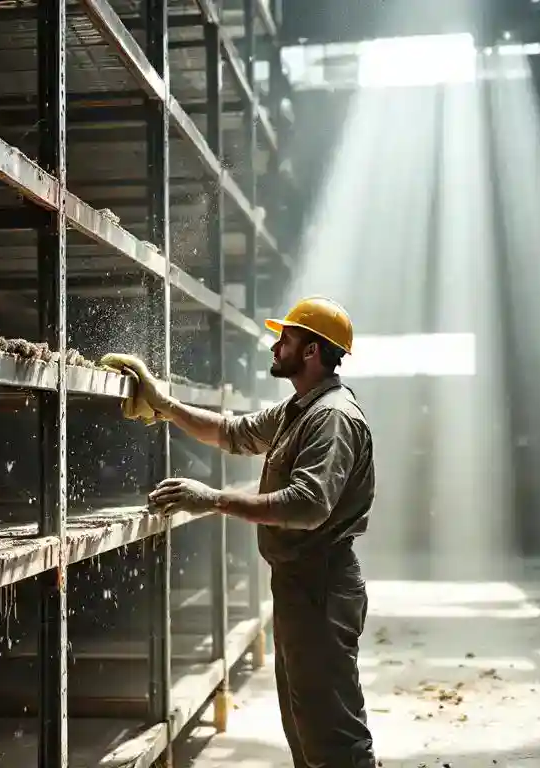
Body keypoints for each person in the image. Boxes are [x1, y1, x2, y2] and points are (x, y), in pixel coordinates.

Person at [109, 296, 376, 768]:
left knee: (333, 736)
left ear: (312, 351)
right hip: (301, 583)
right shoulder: (300, 409)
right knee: (307, 728)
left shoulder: (331, 417)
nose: (275, 348)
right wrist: (164, 404)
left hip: (322, 586)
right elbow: (232, 432)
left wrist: (212, 499)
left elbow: (308, 505)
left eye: (286, 340)